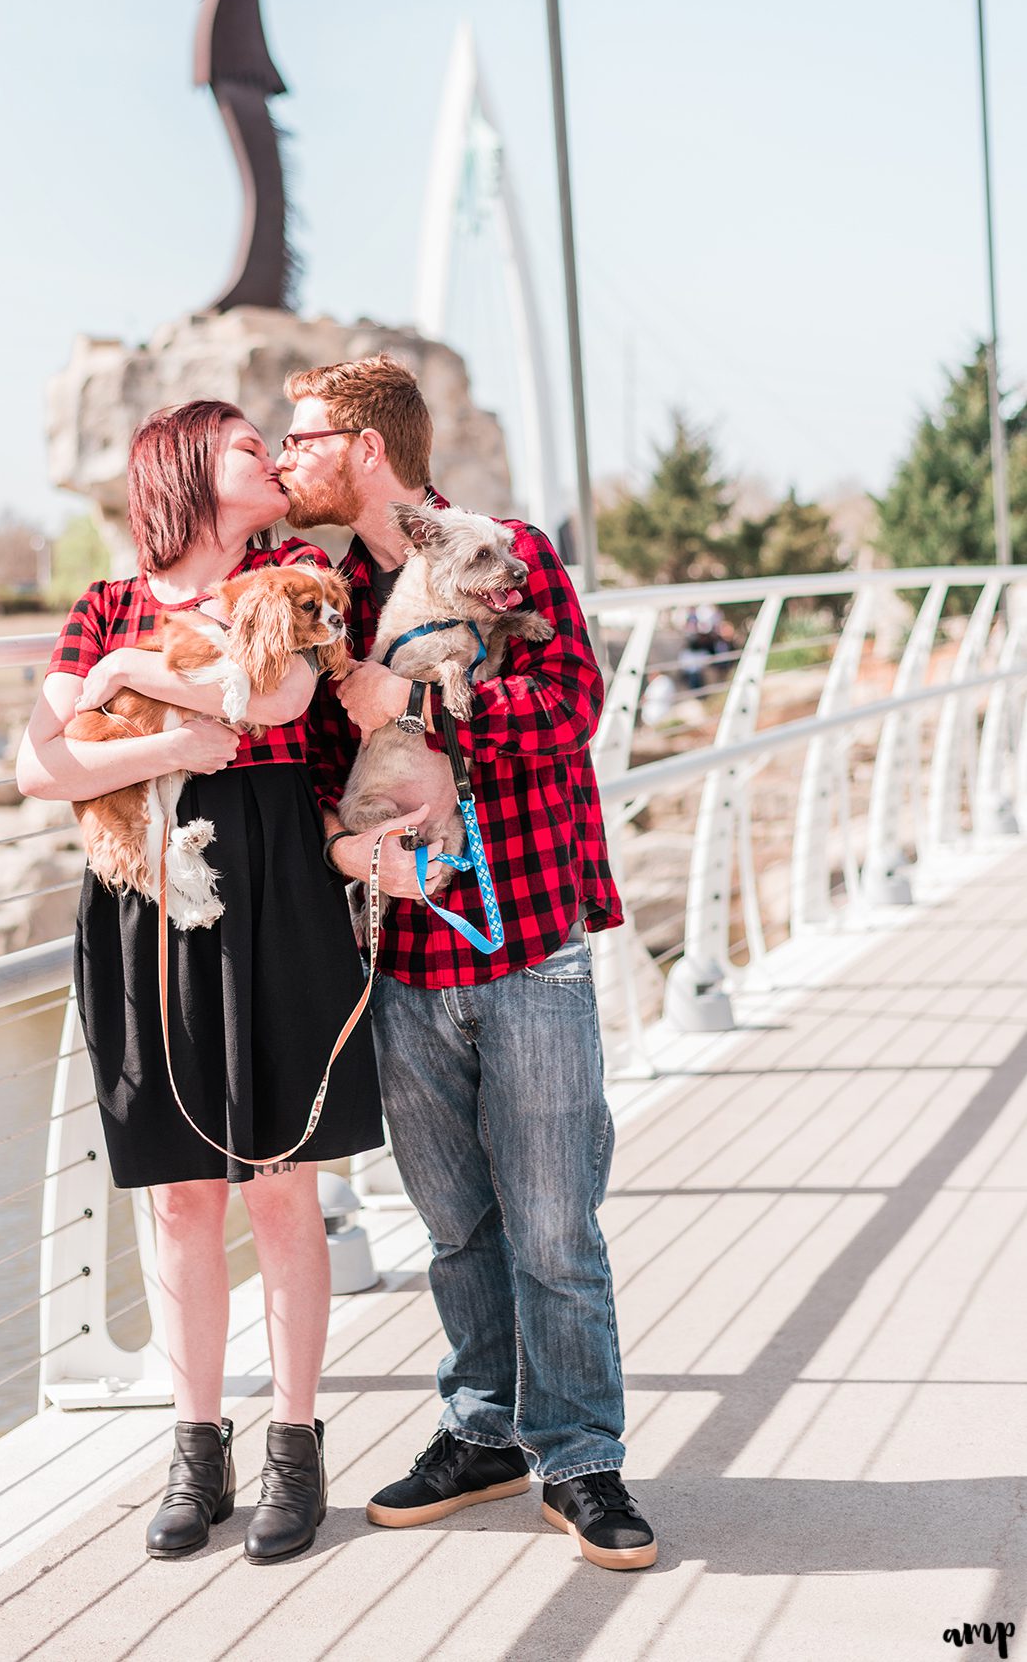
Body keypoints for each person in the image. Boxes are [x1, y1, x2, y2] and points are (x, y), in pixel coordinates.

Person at [279, 353, 658, 1572]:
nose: (290, 458)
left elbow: (568, 708)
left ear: (366, 447)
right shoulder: (323, 595)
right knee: (452, 1224)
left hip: (527, 938)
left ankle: (583, 1456)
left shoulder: (510, 552)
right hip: (401, 962)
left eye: (303, 438)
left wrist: (429, 712)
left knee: (554, 1224)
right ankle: (483, 1430)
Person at [16, 401, 383, 1566]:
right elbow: (43, 762)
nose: (271, 460)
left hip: (271, 875)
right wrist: (165, 731)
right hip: (149, 891)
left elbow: (275, 701)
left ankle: (295, 1442)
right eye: (244, 448)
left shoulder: (292, 570)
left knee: (279, 1180)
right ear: (183, 470)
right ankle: (195, 1444)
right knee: (179, 1193)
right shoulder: (108, 609)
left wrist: (130, 690)